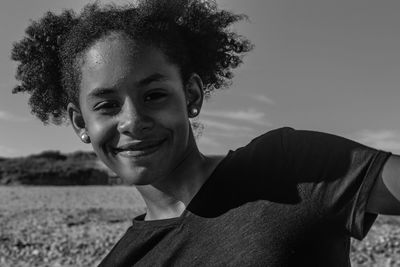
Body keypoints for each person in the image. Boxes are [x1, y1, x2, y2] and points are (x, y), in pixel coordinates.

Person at [10, 0, 400, 266]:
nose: (131, 121)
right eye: (107, 105)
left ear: (191, 95)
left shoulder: (290, 168)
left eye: (154, 95)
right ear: (81, 123)